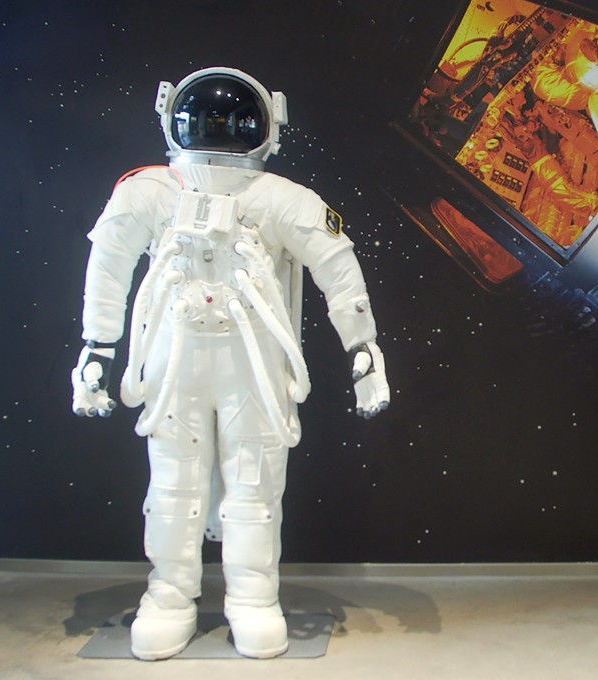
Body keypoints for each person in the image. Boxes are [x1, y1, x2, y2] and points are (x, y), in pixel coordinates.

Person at [70, 67, 391, 659]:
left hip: (249, 363)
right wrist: (97, 345)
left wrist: (363, 345)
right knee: (175, 484)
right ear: (272, 126)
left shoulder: (278, 201)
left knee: (252, 485)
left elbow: (337, 269)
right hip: (179, 363)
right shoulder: (150, 193)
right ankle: (169, 595)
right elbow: (109, 267)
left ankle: (252, 598)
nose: (219, 134)